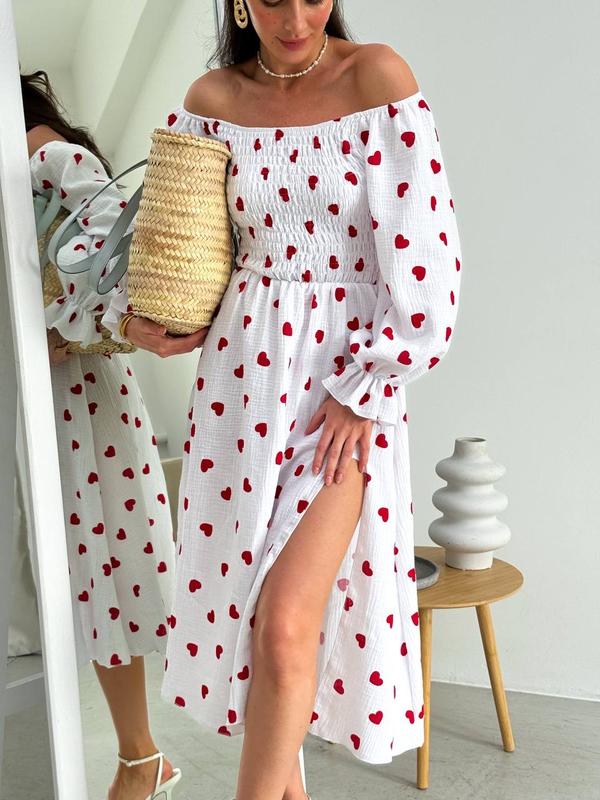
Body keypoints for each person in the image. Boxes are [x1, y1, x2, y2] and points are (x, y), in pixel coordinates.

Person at [117, 1, 463, 798]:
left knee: (283, 627)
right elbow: (181, 244)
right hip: (241, 385)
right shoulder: (213, 101)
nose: (298, 17)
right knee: (259, 629)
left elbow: (430, 257)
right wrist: (148, 320)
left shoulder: (377, 78)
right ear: (241, 2)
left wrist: (365, 389)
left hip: (346, 394)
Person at [23, 69, 189, 800]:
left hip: (78, 400)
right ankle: (140, 758)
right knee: (72, 580)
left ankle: (140, 758)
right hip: (38, 396)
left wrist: (51, 330)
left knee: (99, 577)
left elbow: (119, 267)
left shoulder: (50, 158)